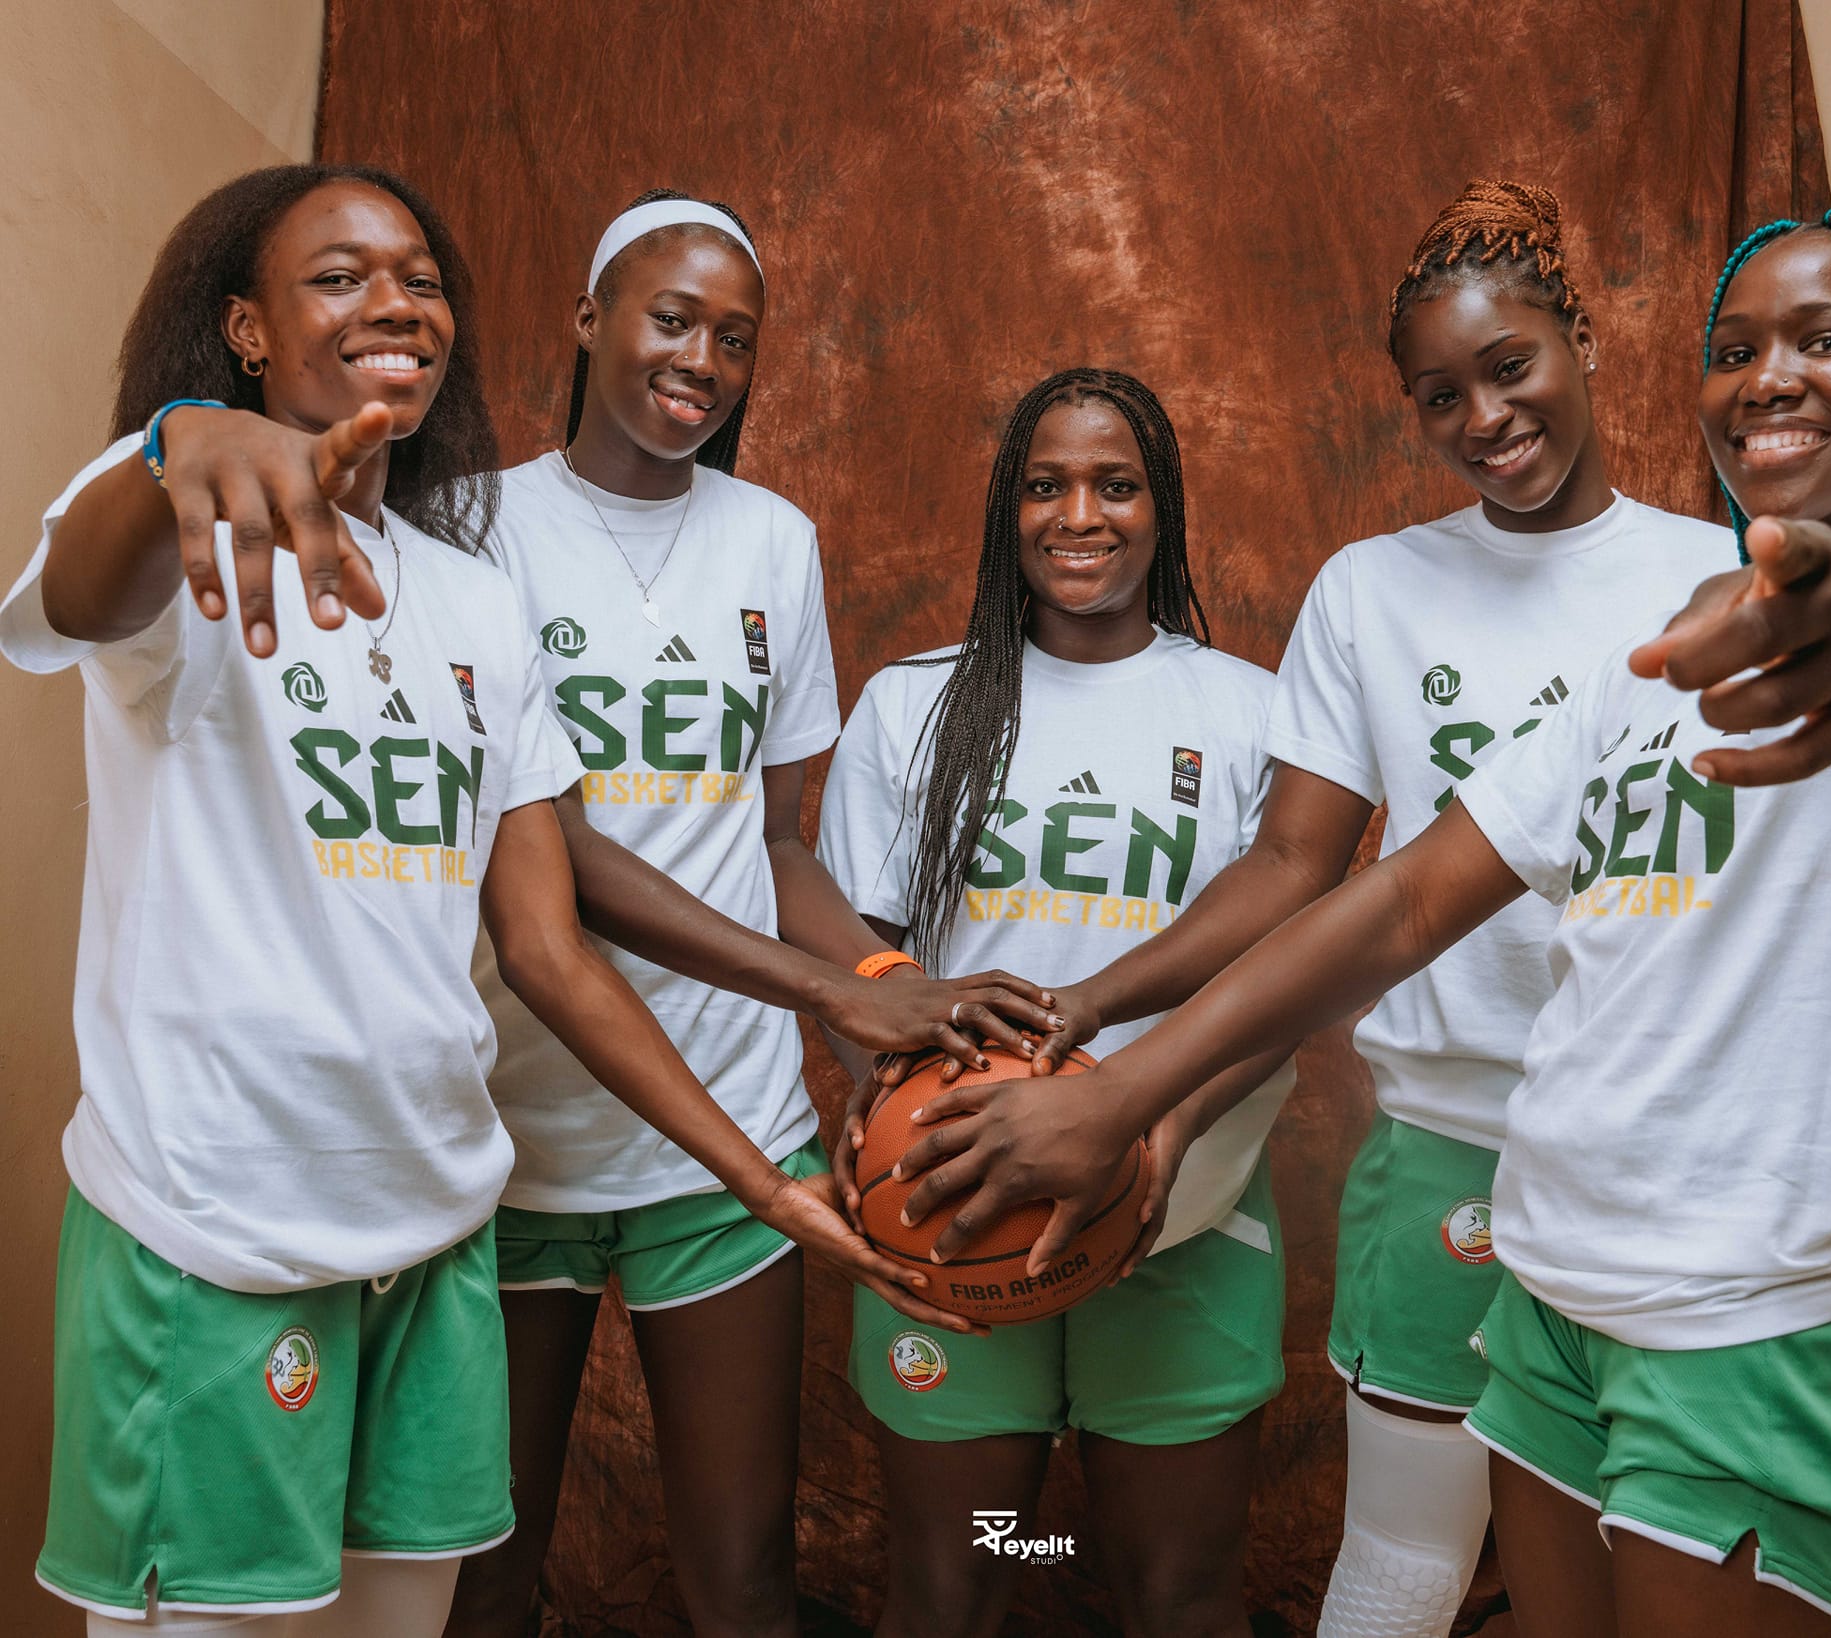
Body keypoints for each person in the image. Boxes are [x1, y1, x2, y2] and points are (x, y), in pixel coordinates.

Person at [895, 211, 1831, 1638]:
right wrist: (1118, 1083)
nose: (1769, 378)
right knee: (1381, 1573)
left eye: (1825, 339)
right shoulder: (1643, 659)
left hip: (1769, 1297)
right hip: (1555, 1274)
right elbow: (1397, 897)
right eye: (1736, 348)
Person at [0, 164, 950, 1638]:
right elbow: (81, 593)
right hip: (221, 1219)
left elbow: (548, 945)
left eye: (422, 280)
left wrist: (764, 1173)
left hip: (434, 1215)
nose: (393, 303)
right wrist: (175, 441)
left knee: (429, 1613)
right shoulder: (186, 527)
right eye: (339, 277)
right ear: (245, 328)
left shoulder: (472, 599)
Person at [446, 192, 1057, 1638]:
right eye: (672, 319)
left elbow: (771, 837)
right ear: (589, 317)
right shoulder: (473, 526)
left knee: (742, 1581)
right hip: (514, 1117)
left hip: (729, 1116)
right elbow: (544, 849)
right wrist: (828, 989)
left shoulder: (774, 539)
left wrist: (886, 974)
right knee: (483, 1581)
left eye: (735, 339)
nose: (702, 361)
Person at [817, 368, 1294, 1638]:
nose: (1078, 515)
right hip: (954, 1211)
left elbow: (1284, 985)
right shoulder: (913, 704)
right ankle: (1035, 1547)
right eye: (1045, 485)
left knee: (1177, 1594)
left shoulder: (1249, 712)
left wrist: (1165, 1131)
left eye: (1114, 484)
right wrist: (890, 1100)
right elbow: (861, 968)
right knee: (962, 1576)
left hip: (1181, 1216)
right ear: (1006, 509)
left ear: (1161, 506)